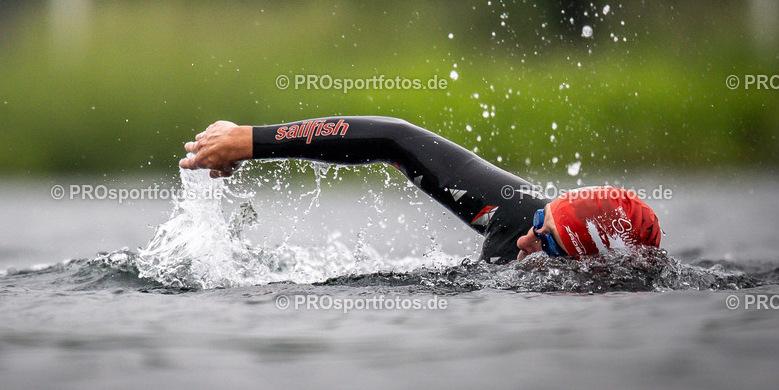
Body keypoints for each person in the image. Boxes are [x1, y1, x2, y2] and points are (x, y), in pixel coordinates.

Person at [179, 116, 661, 263]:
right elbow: (395, 138)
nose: (523, 239)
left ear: (591, 269)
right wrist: (252, 142)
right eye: (539, 222)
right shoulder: (517, 215)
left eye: (547, 242)